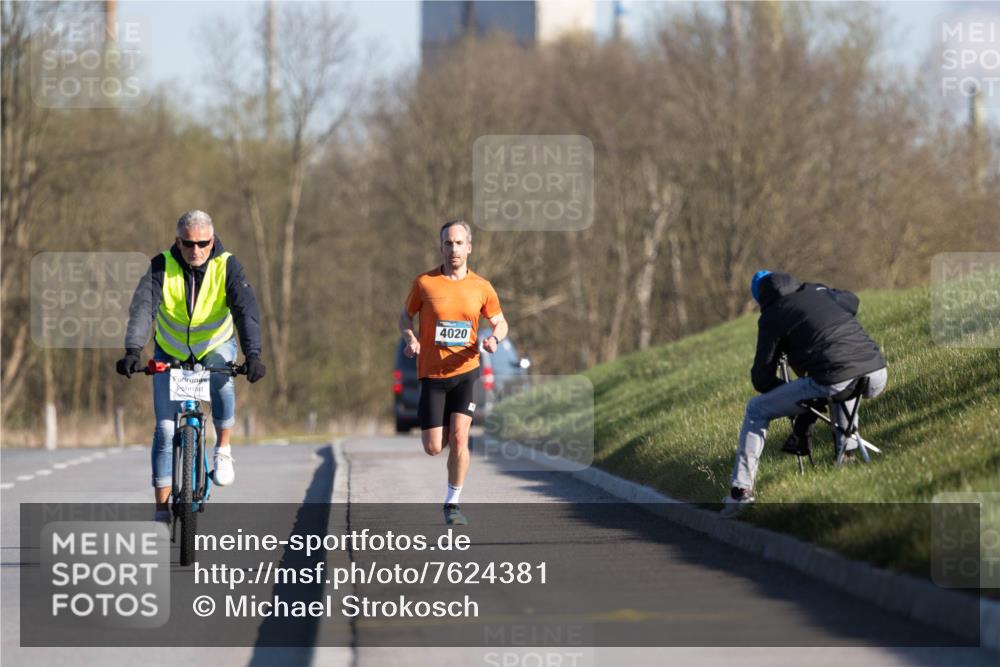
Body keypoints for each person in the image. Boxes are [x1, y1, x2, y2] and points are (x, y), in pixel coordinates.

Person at [116, 210, 265, 523]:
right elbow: (143, 308)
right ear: (177, 242)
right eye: (187, 244)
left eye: (202, 243)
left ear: (212, 241)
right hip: (171, 351)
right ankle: (160, 510)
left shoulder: (228, 266)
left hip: (214, 346)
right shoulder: (161, 266)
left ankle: (222, 448)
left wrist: (253, 355)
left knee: (224, 376)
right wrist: (132, 350)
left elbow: (245, 311)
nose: (195, 250)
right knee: (165, 429)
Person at [723, 270, 887, 516]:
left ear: (761, 298)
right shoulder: (816, 290)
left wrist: (797, 396)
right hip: (877, 372)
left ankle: (740, 492)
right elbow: (852, 301)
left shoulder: (772, 315)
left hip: (837, 378)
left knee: (756, 408)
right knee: (839, 383)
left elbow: (761, 379)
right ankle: (847, 460)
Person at [398, 219, 507, 526]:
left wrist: (494, 338)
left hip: (466, 372)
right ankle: (443, 429)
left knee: (460, 438)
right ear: (441, 247)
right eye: (448, 243)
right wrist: (411, 339)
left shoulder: (482, 287)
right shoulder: (425, 283)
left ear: (469, 248)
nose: (454, 249)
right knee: (434, 447)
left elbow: (501, 322)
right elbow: (404, 318)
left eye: (459, 243)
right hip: (432, 375)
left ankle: (452, 502)